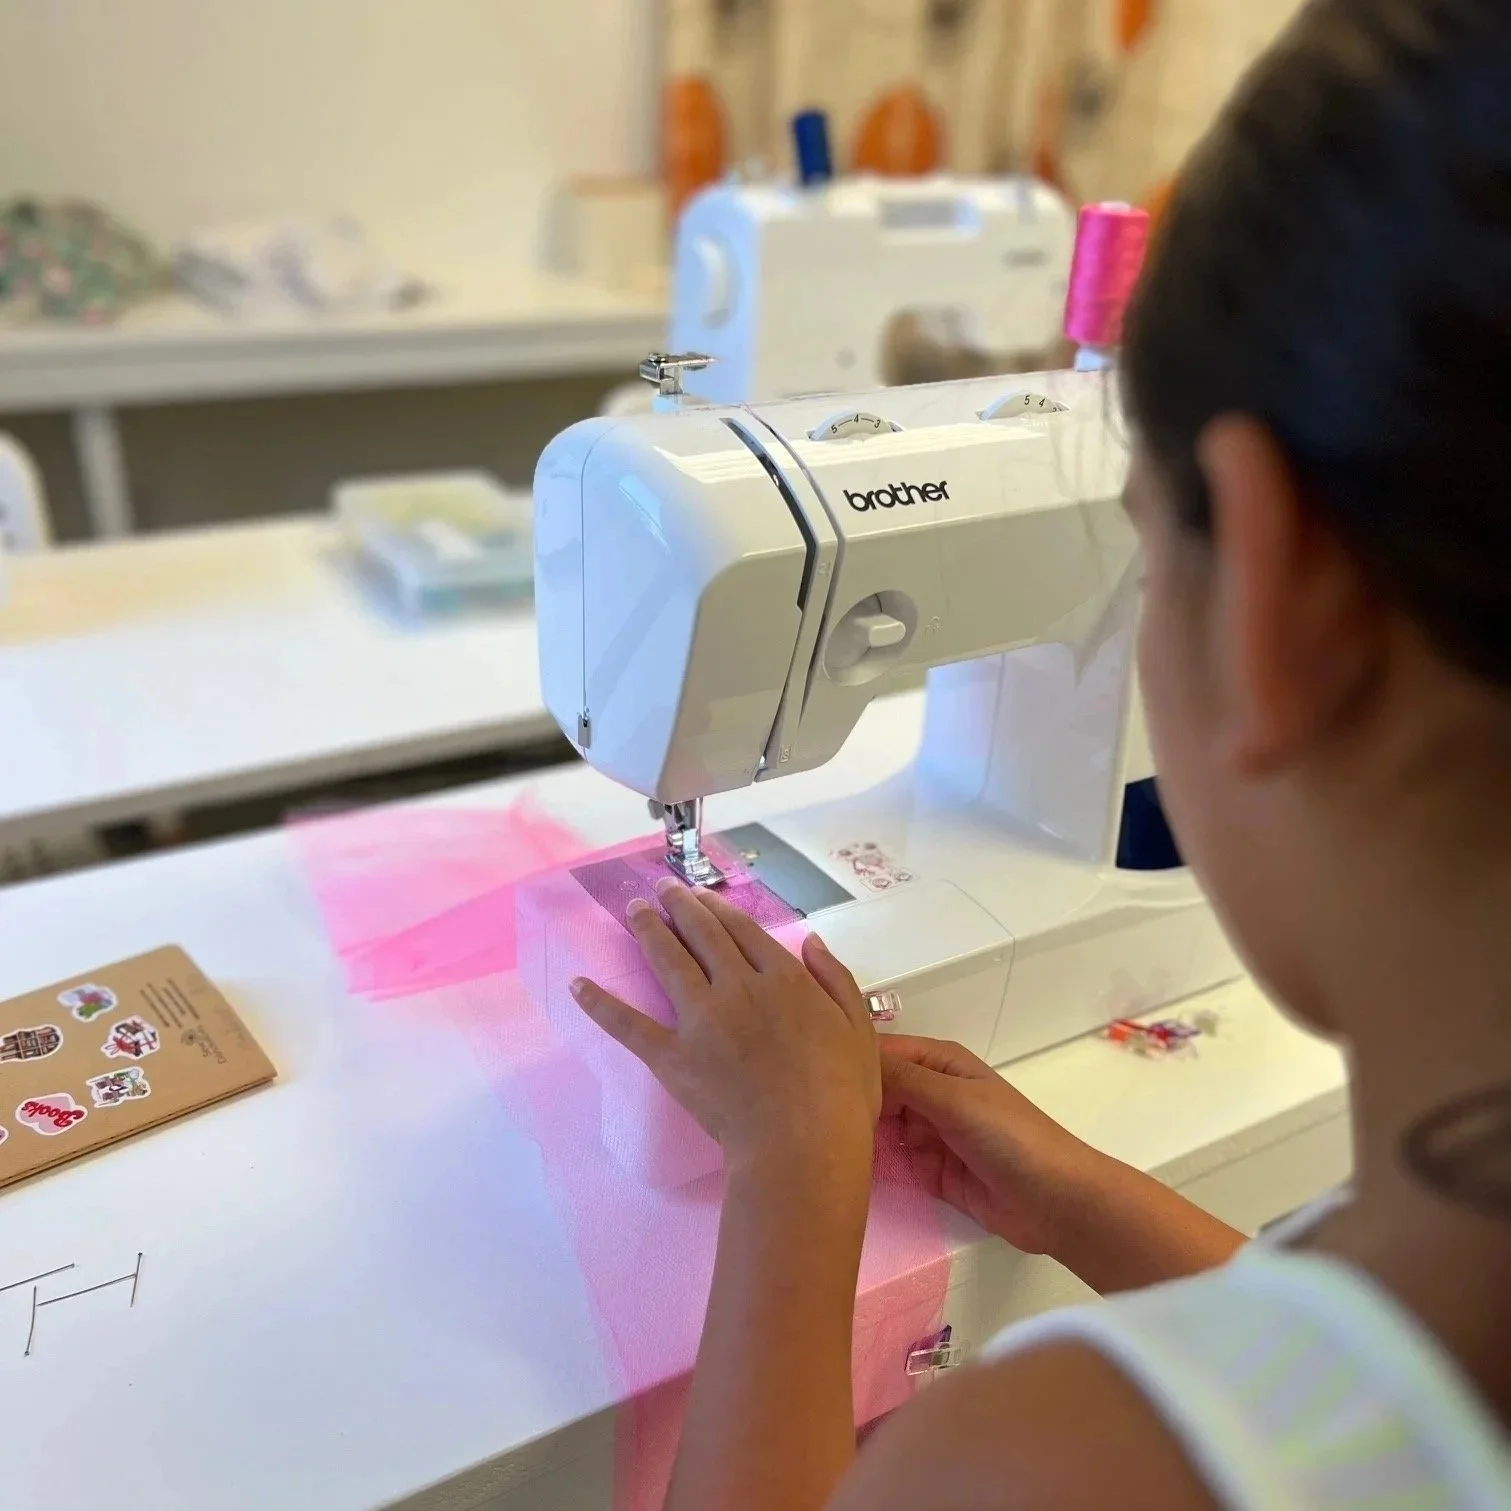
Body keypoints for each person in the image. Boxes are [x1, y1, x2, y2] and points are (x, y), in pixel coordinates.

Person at [567, 0, 1511, 1503]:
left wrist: (795, 1173)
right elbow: (1320, 1324)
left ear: (1277, 595)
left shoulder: (1049, 1459)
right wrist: (1076, 1193)